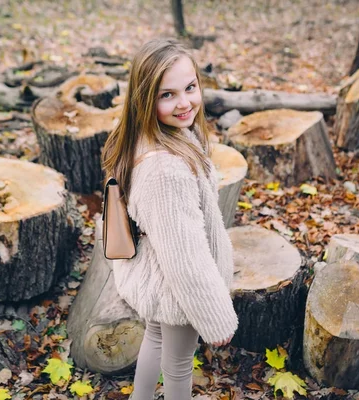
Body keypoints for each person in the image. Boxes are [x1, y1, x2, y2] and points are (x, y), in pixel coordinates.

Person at [101, 38, 238, 400]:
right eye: (167, 95)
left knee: (155, 337)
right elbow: (186, 258)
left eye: (190, 87)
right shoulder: (165, 169)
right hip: (179, 290)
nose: (184, 102)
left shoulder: (162, 136)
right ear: (145, 99)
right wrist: (214, 314)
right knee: (178, 366)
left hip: (161, 277)